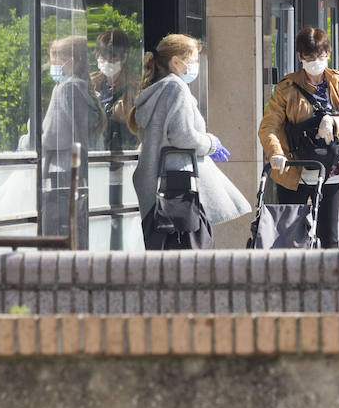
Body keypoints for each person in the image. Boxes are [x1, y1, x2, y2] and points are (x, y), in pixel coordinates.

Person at [130, 34, 250, 249]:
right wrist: (211, 143)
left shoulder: (156, 90)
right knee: (194, 259)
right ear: (176, 61)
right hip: (181, 188)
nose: (196, 65)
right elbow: (182, 135)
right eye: (193, 59)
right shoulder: (176, 88)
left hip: (160, 186)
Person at [257, 26, 339, 249]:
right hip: (294, 169)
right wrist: (275, 153)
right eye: (309, 57)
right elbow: (269, 126)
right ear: (299, 57)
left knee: (329, 237)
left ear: (328, 55)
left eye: (320, 56)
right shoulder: (286, 87)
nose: (315, 61)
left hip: (330, 171)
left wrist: (333, 121)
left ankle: (330, 282)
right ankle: (294, 281)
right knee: (290, 234)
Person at [39, 36, 105, 237]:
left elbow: (59, 134)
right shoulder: (81, 87)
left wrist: (32, 141)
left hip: (63, 172)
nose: (52, 66)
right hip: (76, 171)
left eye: (55, 61)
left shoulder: (66, 88)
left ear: (73, 62)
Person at [91, 28, 137, 155]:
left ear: (124, 58)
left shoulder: (135, 85)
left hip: (127, 152)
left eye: (111, 58)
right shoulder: (92, 83)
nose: (106, 62)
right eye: (101, 57)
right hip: (98, 152)